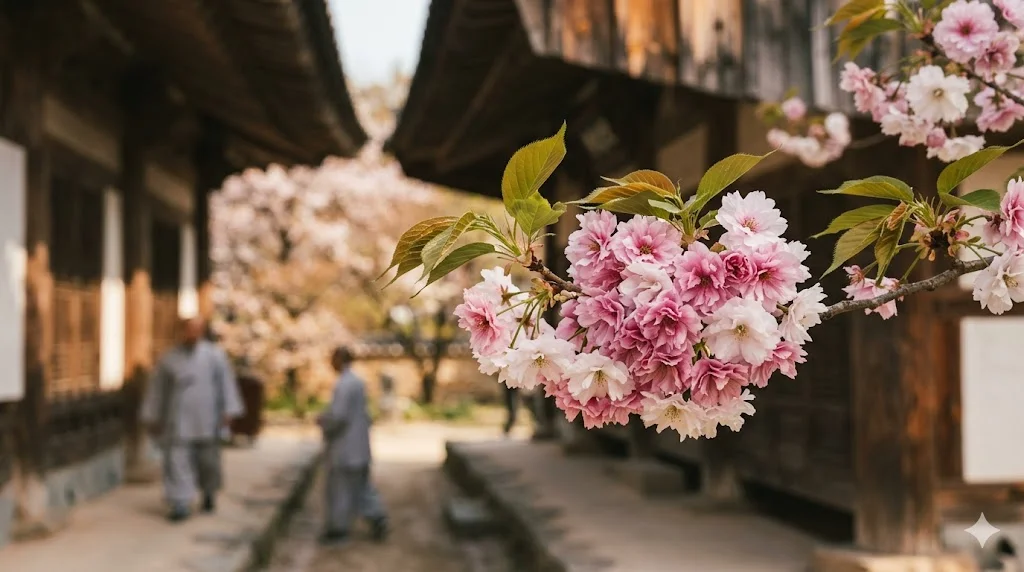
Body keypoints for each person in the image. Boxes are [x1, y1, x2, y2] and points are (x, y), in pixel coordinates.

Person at [140, 317, 245, 522]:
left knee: (208, 462)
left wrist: (228, 411)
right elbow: (157, 391)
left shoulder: (215, 356)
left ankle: (208, 492)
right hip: (177, 419)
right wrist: (153, 416)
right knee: (176, 461)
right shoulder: (169, 358)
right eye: (188, 330)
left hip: (208, 418)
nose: (192, 334)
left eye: (196, 330)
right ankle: (180, 502)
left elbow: (226, 385)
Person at [317, 346, 388, 545]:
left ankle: (339, 529)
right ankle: (377, 516)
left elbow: (339, 417)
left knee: (341, 489)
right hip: (359, 446)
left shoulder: (344, 384)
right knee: (361, 486)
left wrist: (323, 422)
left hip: (345, 447)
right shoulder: (356, 382)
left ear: (340, 359)